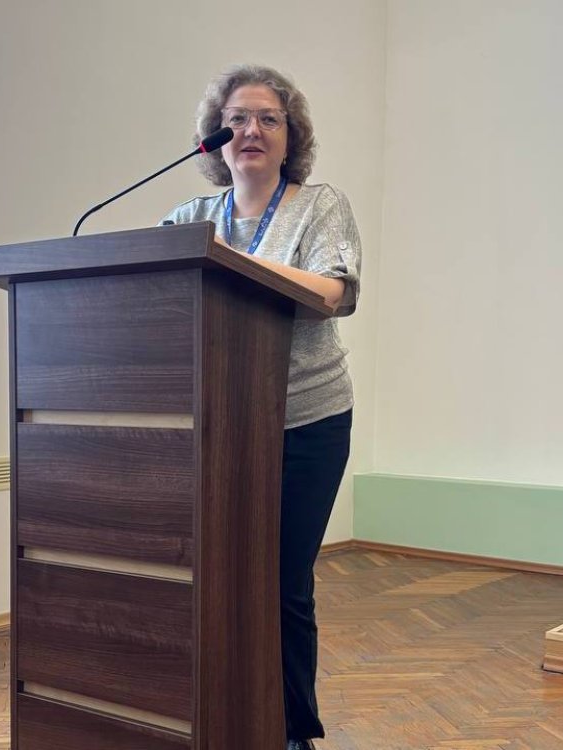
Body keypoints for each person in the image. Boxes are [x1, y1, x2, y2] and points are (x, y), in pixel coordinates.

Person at [162, 64, 362, 750]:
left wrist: (228, 261)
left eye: (268, 119)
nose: (251, 130)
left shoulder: (318, 206)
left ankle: (291, 730)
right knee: (215, 578)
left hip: (307, 420)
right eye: (237, 119)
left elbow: (333, 292)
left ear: (289, 137)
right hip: (219, 428)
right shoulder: (191, 219)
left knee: (281, 581)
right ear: (214, 138)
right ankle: (224, 715)